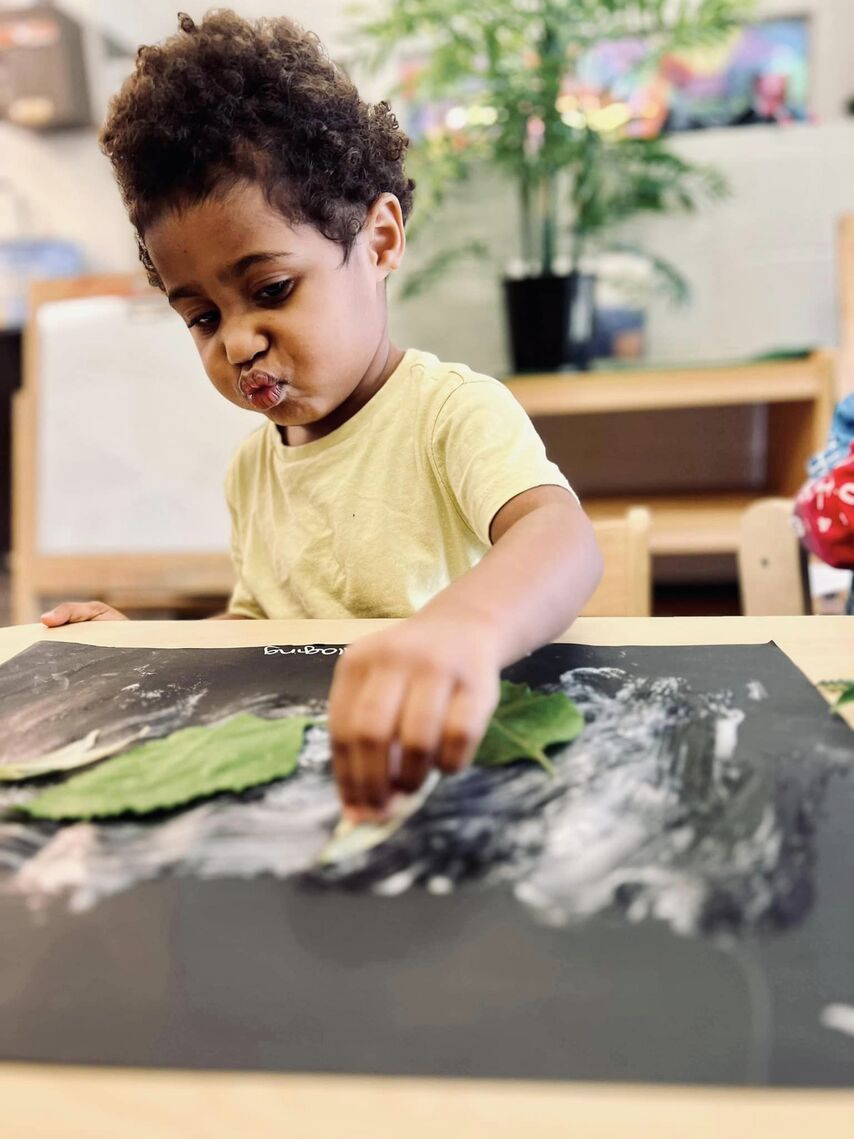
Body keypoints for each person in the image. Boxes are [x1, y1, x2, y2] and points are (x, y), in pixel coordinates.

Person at [40, 11, 602, 817]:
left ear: (379, 242)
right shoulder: (253, 467)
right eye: (202, 316)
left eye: (271, 290)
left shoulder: (450, 412)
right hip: (324, 776)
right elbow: (259, 626)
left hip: (457, 754)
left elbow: (562, 539)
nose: (237, 342)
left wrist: (463, 630)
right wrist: (153, 644)